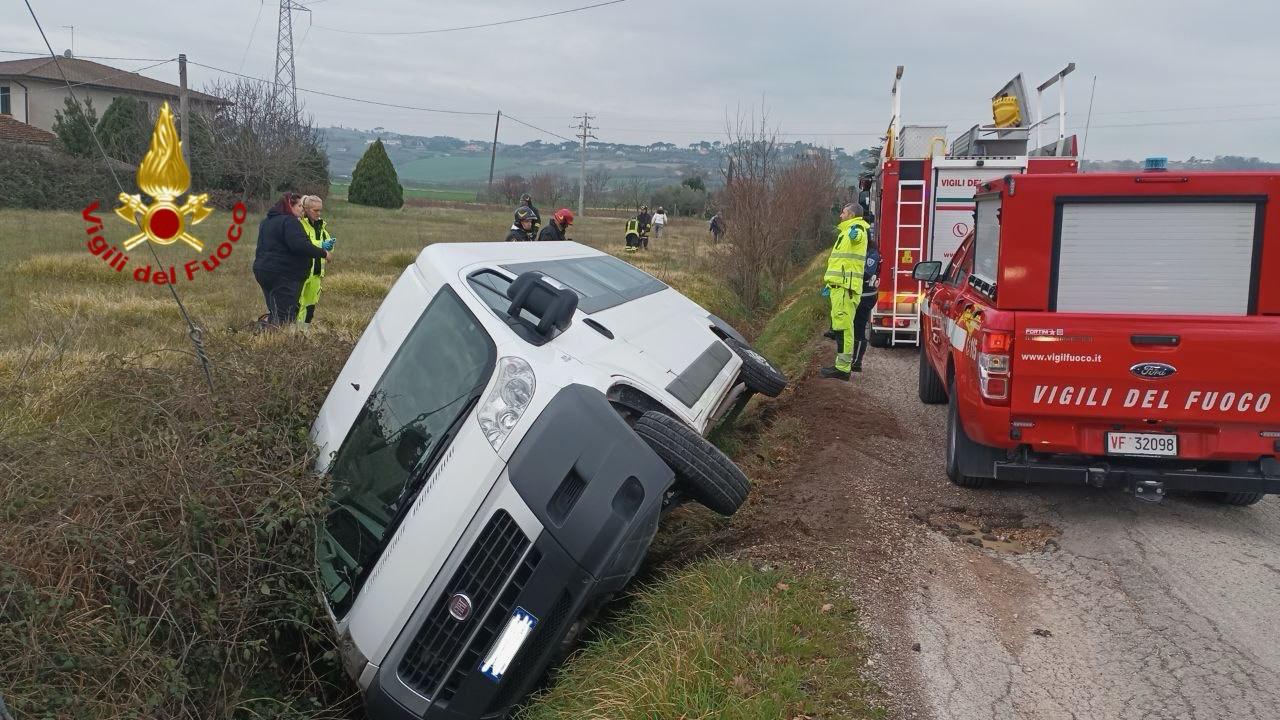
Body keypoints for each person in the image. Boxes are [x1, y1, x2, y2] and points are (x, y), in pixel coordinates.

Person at [253, 192, 329, 328]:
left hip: (264, 271)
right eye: (299, 205)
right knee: (285, 316)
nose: (302, 209)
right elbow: (300, 245)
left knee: (276, 310)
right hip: (284, 274)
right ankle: (272, 339)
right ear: (290, 205)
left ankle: (265, 331)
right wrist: (323, 253)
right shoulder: (290, 222)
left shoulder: (267, 222)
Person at [820, 203, 871, 381]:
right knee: (840, 326)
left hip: (845, 288)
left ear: (851, 215)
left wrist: (853, 232)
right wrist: (831, 284)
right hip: (839, 287)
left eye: (843, 213)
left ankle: (842, 368)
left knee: (844, 329)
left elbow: (857, 238)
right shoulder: (846, 231)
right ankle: (841, 366)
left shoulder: (857, 228)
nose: (840, 216)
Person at [296, 195, 335, 326]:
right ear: (306, 209)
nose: (319, 213)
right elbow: (302, 246)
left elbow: (329, 250)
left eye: (320, 210)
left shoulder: (321, 227)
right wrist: (321, 246)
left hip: (316, 275)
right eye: (315, 210)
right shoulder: (299, 225)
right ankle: (292, 336)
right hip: (302, 273)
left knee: (309, 308)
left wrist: (330, 245)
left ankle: (303, 335)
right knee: (297, 305)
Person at [851, 233, 881, 372]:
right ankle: (853, 359)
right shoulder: (862, 251)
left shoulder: (872, 254)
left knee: (859, 328)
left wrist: (851, 270)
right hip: (858, 295)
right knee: (852, 327)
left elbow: (867, 273)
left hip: (866, 296)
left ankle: (857, 362)